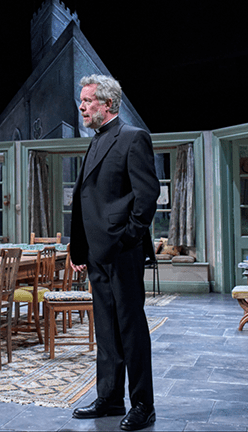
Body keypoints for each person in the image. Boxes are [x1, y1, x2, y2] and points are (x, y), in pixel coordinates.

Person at [69, 75, 160, 431]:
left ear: (107, 104)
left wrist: (126, 239)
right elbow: (85, 200)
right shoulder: (95, 141)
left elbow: (146, 196)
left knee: (130, 328)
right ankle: (109, 398)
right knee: (106, 330)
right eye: (81, 101)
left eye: (88, 100)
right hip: (96, 253)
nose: (81, 107)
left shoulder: (133, 137)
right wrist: (79, 247)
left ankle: (143, 405)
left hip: (122, 251)